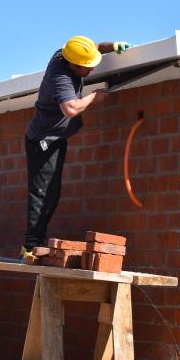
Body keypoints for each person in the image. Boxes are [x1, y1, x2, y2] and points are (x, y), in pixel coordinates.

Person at [20, 36, 133, 262]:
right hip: (43, 140)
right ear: (73, 64)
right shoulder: (60, 76)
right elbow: (71, 108)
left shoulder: (69, 52)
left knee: (53, 193)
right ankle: (30, 248)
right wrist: (93, 97)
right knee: (43, 193)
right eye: (87, 67)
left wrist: (113, 46)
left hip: (56, 137)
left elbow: (95, 47)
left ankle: (34, 242)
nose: (91, 69)